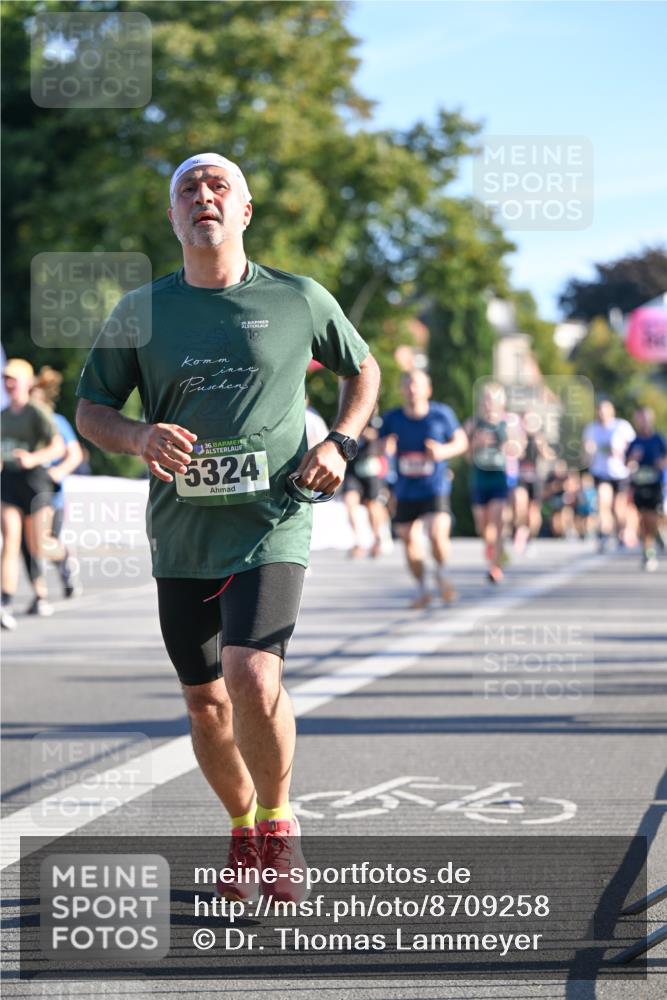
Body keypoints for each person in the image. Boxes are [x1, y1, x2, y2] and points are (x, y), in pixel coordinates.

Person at [75, 152, 380, 903]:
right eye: (188, 189)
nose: (202, 196)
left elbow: (362, 370)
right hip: (181, 534)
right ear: (172, 217)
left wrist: (338, 443)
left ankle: (278, 823)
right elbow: (90, 412)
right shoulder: (140, 312)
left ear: (243, 212)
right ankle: (242, 825)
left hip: (271, 521)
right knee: (205, 700)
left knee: (252, 674)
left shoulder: (298, 299)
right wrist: (141, 437)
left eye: (218, 188)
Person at [379, 370, 467, 608]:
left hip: (435, 485)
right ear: (401, 390)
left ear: (428, 390)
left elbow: (462, 442)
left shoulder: (441, 414)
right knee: (408, 539)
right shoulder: (393, 418)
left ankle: (441, 571)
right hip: (406, 489)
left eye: (416, 385)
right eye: (407, 385)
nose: (411, 390)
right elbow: (377, 446)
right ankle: (422, 588)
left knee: (437, 534)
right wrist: (383, 447)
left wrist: (442, 451)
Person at [1, 358, 65, 628]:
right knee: (11, 541)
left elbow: (59, 447)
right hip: (9, 481)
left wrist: (33, 457)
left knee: (38, 545)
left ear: (27, 383)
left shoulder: (36, 412)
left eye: (14, 379)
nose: (9, 383)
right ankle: (5, 602)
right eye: (6, 379)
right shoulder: (3, 416)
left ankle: (65, 558)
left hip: (35, 481)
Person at [21, 367, 84, 598]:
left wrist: (58, 472)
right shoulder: (17, 422)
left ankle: (64, 558)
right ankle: (40, 595)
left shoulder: (57, 422)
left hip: (49, 494)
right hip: (21, 492)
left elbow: (74, 454)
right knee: (27, 546)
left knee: (42, 543)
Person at [465, 382, 510, 583]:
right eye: (486, 399)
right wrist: (476, 443)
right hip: (479, 479)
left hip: (498, 479)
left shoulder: (507, 424)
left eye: (494, 399)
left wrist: (506, 444)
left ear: (502, 402)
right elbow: (465, 455)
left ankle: (495, 567)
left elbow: (518, 450)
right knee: (483, 527)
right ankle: (494, 551)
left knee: (496, 523)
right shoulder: (473, 424)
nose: (489, 403)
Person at [582, 400, 635, 552]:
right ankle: (605, 534)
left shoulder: (622, 426)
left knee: (619, 508)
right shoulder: (591, 429)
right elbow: (585, 455)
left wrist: (621, 453)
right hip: (600, 472)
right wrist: (588, 452)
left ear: (612, 411)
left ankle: (622, 532)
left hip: (620, 473)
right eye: (599, 411)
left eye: (605, 411)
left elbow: (633, 448)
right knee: (603, 502)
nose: (602, 414)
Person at [625, 407, 667, 571]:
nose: (642, 422)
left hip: (656, 484)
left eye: (645, 418)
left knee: (653, 518)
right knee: (643, 520)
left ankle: (656, 537)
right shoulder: (634, 442)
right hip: (639, 484)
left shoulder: (658, 439)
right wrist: (632, 460)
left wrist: (661, 464)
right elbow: (626, 462)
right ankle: (647, 552)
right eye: (639, 418)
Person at [342, 413, 389, 558]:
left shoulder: (376, 419)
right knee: (349, 502)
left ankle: (376, 539)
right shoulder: (346, 413)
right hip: (352, 467)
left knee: (372, 505)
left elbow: (381, 438)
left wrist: (362, 431)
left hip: (369, 467)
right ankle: (358, 541)